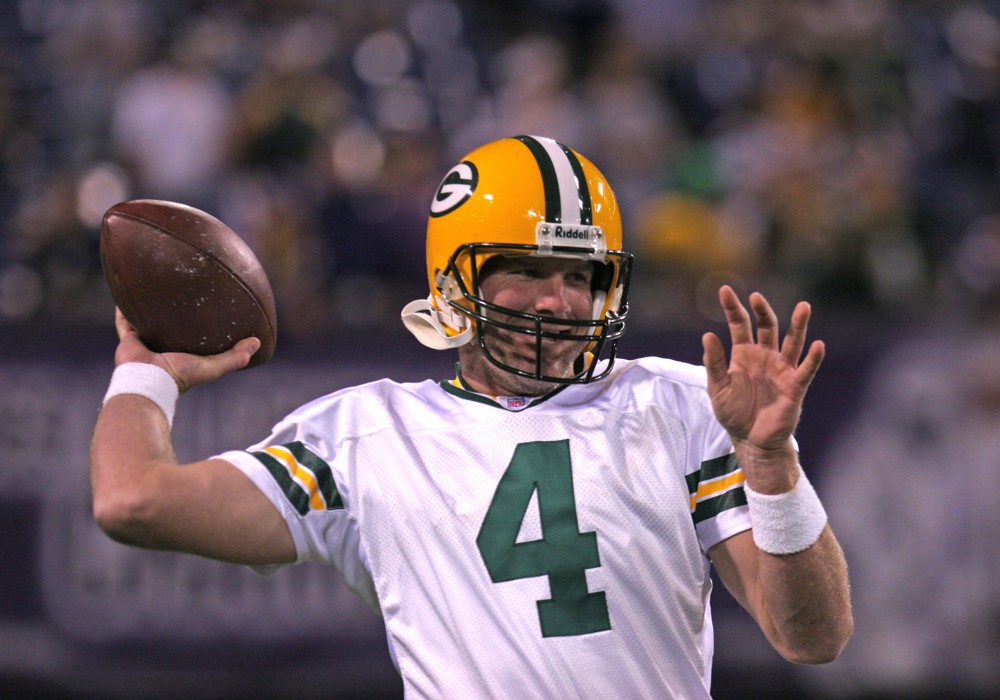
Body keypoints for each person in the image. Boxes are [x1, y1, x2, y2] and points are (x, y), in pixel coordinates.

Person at [90, 135, 852, 698]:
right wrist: (145, 375)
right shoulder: (362, 438)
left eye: (579, 276)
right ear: (454, 281)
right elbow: (134, 501)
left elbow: (813, 637)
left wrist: (773, 466)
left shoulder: (679, 405)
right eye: (524, 270)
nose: (556, 301)